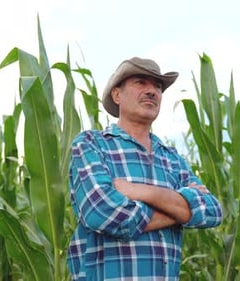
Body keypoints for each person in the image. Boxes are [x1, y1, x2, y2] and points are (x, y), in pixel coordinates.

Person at [67, 57, 222, 280]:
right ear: (117, 95)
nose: (152, 91)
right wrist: (180, 209)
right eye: (141, 82)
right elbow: (103, 212)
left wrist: (140, 191)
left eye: (157, 86)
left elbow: (212, 210)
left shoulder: (171, 158)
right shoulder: (91, 144)